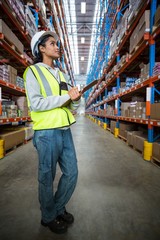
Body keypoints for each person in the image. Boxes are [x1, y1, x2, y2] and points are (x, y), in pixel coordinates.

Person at [23, 31, 81, 234]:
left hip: (65, 130)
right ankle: (48, 217)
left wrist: (75, 97)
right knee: (47, 177)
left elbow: (72, 103)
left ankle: (56, 208)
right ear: (41, 48)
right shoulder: (33, 72)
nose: (57, 46)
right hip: (47, 132)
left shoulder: (62, 74)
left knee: (72, 172)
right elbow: (37, 103)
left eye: (57, 43)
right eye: (52, 43)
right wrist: (65, 98)